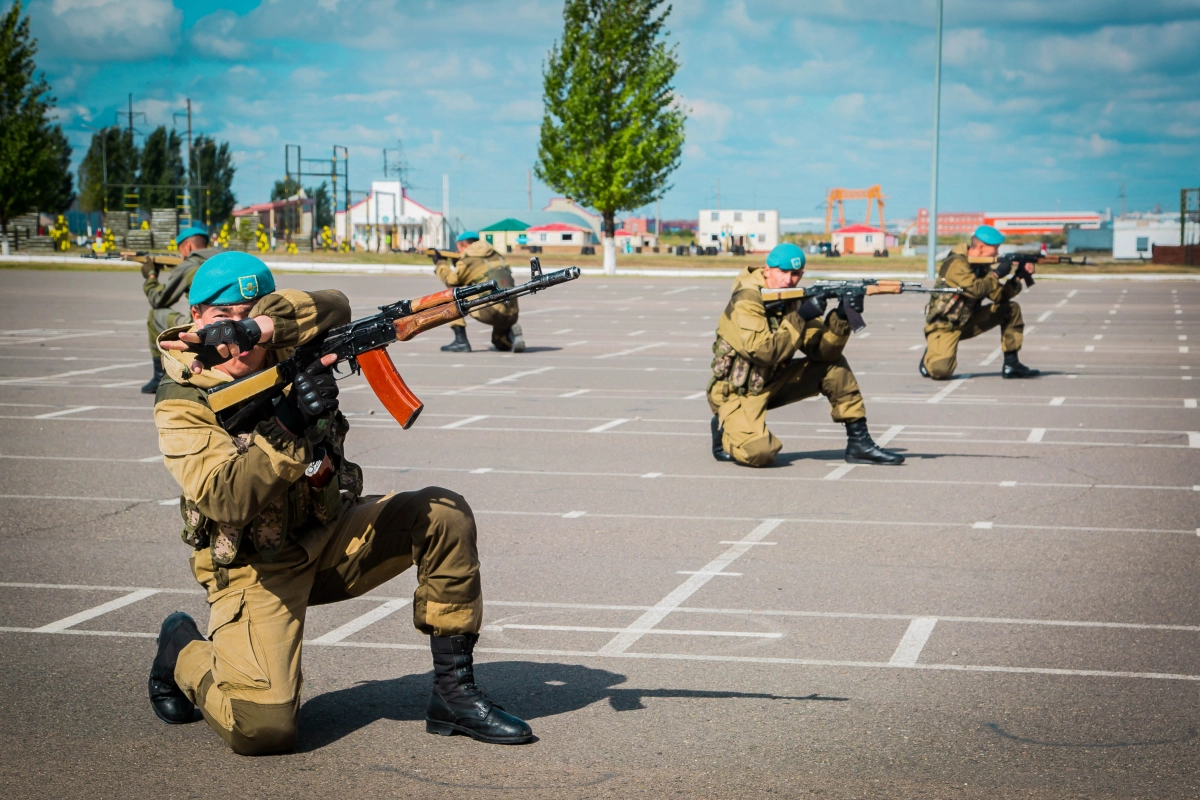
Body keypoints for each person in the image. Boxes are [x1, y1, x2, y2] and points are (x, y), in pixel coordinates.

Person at [148, 252, 533, 754]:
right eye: (223, 321)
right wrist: (286, 422)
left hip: (329, 536)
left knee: (444, 513)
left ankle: (453, 696)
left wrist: (260, 329)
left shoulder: (284, 343)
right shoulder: (183, 398)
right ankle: (182, 648)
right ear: (196, 317)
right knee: (263, 731)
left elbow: (335, 304)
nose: (237, 336)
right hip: (255, 570)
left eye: (251, 319)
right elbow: (226, 498)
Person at [707, 243, 903, 468]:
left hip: (772, 381)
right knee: (760, 454)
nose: (789, 280)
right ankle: (725, 428)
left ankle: (860, 443)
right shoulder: (747, 300)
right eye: (783, 272)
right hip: (737, 391)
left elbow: (823, 352)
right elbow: (764, 352)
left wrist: (841, 316)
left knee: (834, 367)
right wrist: (800, 317)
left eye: (795, 274)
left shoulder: (792, 299)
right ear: (767, 269)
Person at [920, 225, 1039, 380]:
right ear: (982, 248)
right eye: (995, 249)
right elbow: (974, 289)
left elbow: (998, 296)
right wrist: (996, 274)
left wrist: (1017, 277)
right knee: (941, 372)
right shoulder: (956, 264)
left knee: (1010, 309)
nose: (997, 253)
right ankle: (932, 352)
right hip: (944, 326)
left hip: (967, 321)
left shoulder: (981, 267)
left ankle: (1012, 364)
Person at [137, 226, 221, 394]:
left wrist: (151, 276)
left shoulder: (189, 265)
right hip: (235, 325)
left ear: (188, 246)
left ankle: (159, 377)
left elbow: (158, 299)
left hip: (203, 329)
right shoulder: (225, 258)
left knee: (155, 315)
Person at [433, 231, 524, 353]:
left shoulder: (468, 259)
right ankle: (509, 335)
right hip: (512, 312)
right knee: (499, 343)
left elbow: (452, 281)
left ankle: (461, 341)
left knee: (451, 297)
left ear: (463, 245)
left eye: (458, 247)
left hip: (492, 311)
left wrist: (440, 263)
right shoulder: (496, 254)